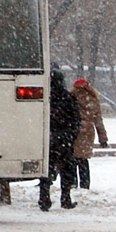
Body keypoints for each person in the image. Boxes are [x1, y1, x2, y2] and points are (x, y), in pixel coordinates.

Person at [39, 68, 81, 211]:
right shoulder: (68, 98)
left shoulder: (45, 97)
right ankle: (65, 198)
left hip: (48, 137)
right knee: (67, 169)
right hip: (65, 138)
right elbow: (76, 119)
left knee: (46, 169)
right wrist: (71, 135)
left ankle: (44, 198)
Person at [71, 78, 108, 189]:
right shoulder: (93, 99)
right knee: (83, 159)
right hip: (88, 132)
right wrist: (103, 138)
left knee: (72, 159)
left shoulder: (71, 97)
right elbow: (98, 120)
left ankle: (73, 183)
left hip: (74, 130)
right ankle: (85, 184)